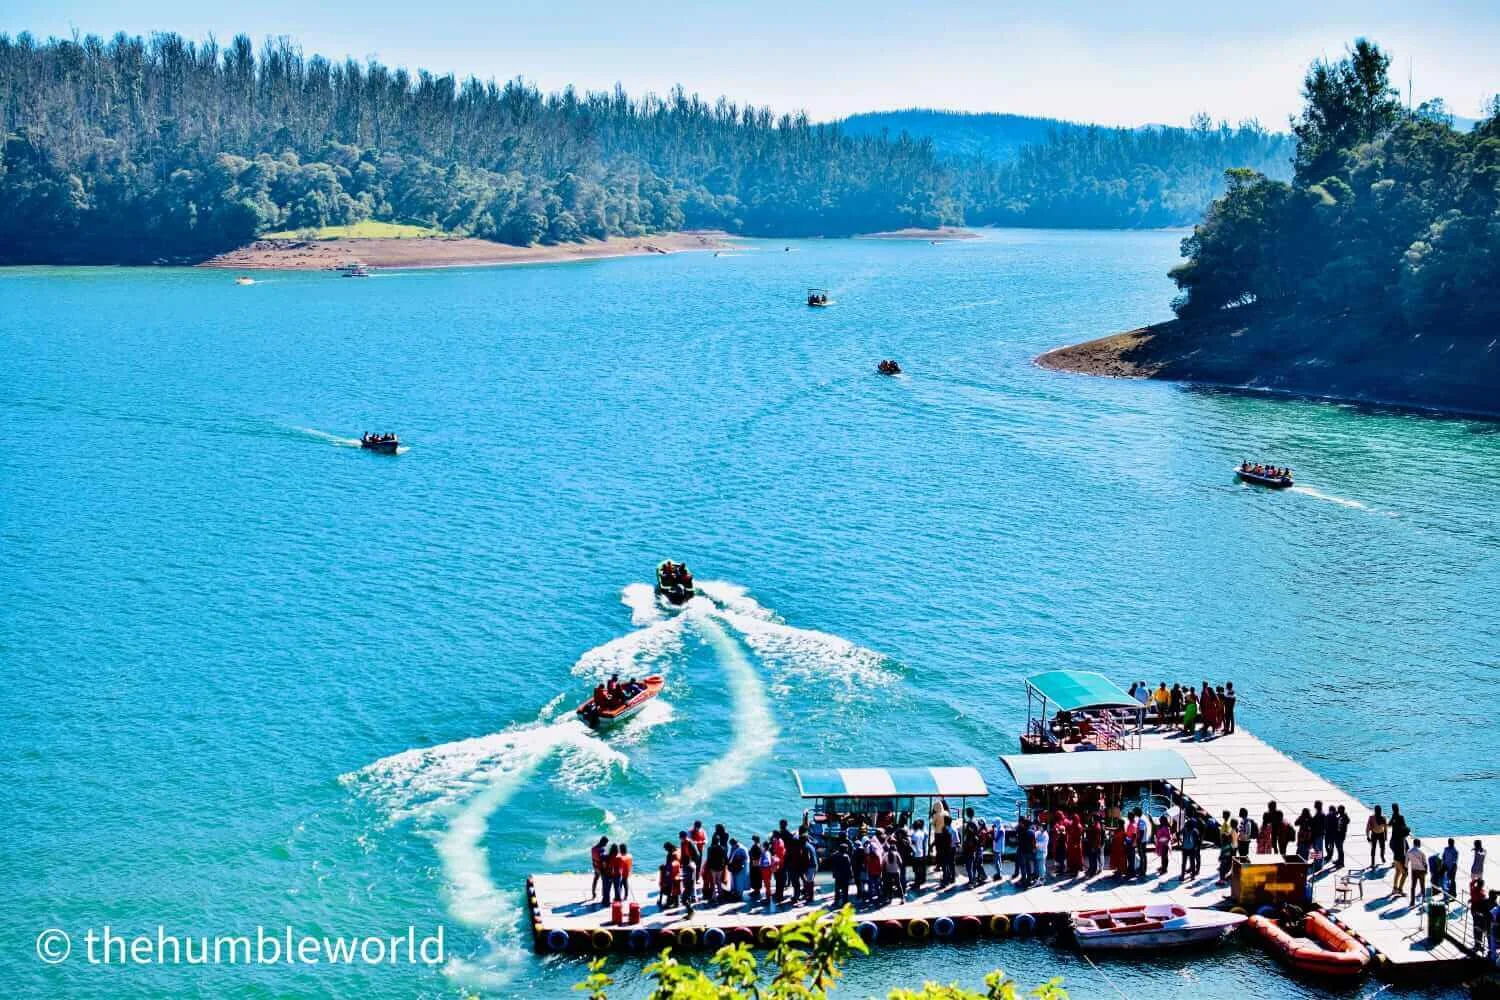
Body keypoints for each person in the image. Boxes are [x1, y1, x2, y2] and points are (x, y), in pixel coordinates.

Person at [829, 839, 853, 907]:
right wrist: (851, 875)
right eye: (847, 849)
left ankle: (836, 900)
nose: (847, 850)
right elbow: (849, 867)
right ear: (844, 849)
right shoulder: (846, 857)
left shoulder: (834, 855)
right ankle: (844, 902)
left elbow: (831, 864)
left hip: (837, 875)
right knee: (845, 890)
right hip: (844, 876)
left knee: (837, 888)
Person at [910, 819, 929, 890]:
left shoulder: (914, 835)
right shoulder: (922, 833)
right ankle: (919, 881)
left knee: (916, 870)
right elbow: (923, 844)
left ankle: (916, 884)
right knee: (920, 869)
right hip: (921, 853)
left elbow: (912, 845)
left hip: (916, 854)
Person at [1407, 838, 1427, 906]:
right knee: (1422, 885)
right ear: (1418, 844)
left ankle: (1412, 901)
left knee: (1413, 886)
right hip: (1421, 870)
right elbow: (1425, 863)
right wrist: (1426, 871)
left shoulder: (1409, 851)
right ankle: (1424, 898)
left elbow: (1406, 862)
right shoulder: (1421, 852)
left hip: (1414, 870)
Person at [1181, 813, 1202, 878]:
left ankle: (1182, 876)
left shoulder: (1184, 829)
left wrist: (1182, 842)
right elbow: (1198, 841)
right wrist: (1196, 847)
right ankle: (1192, 876)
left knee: (1184, 862)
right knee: (1192, 862)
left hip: (1185, 848)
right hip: (1192, 848)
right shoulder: (1195, 831)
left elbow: (1179, 834)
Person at [589, 835, 610, 900]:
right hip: (601, 868)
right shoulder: (601, 849)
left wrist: (595, 867)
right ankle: (604, 896)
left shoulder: (593, 848)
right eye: (606, 843)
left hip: (595, 867)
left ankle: (593, 893)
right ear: (603, 842)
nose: (606, 845)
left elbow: (593, 858)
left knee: (595, 880)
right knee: (604, 882)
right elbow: (603, 859)